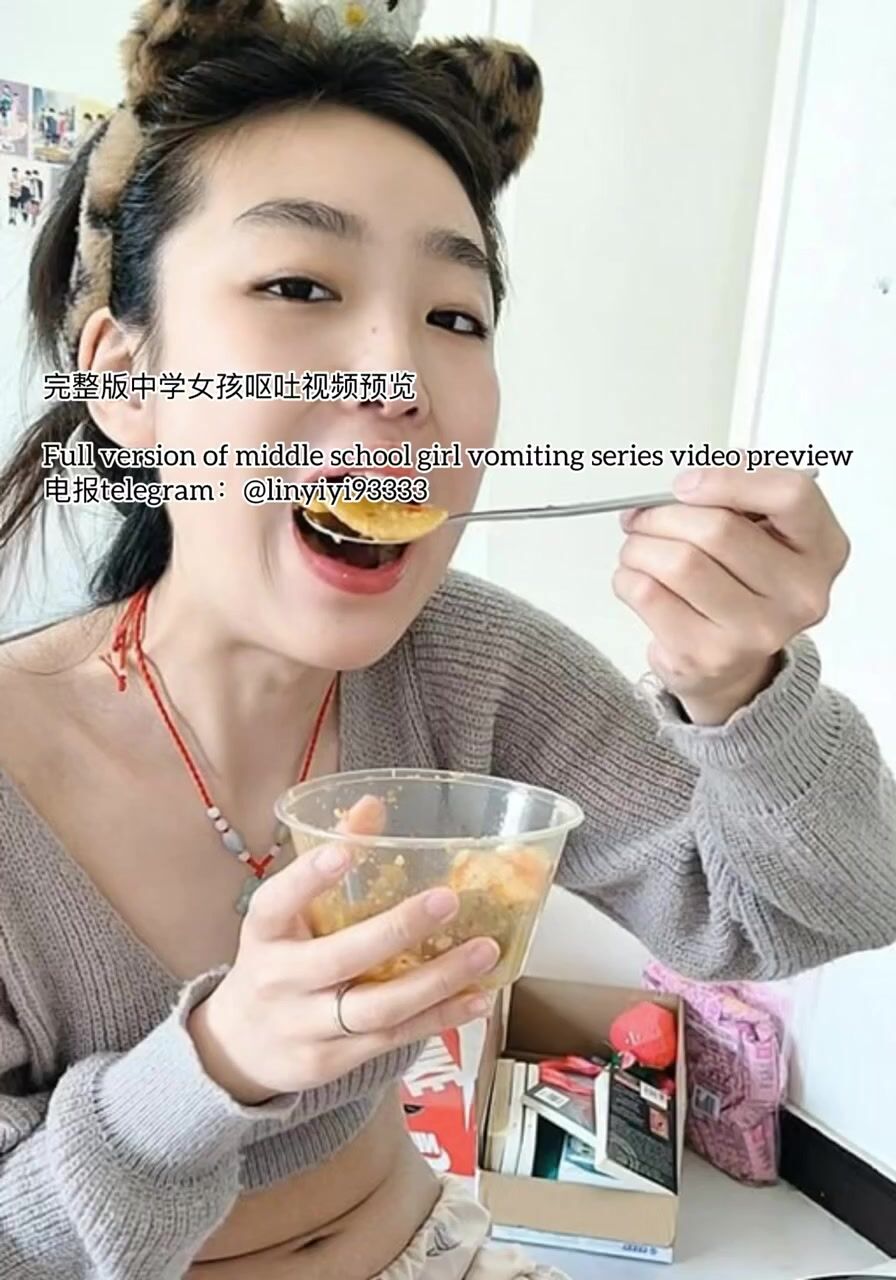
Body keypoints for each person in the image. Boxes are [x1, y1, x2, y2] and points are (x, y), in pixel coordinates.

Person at [0, 0, 894, 1277]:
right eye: (298, 285)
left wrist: (747, 691)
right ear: (129, 378)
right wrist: (215, 1065)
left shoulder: (464, 660)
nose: (400, 378)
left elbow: (811, 911)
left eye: (456, 316)